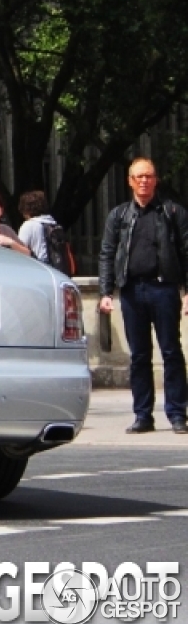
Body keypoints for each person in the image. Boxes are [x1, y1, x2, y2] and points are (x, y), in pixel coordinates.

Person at [97, 157, 188, 435]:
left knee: (171, 351)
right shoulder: (120, 215)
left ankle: (177, 414)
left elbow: (186, 252)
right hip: (132, 291)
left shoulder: (172, 212)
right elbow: (108, 253)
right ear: (130, 181)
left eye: (148, 176)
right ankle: (143, 415)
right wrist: (105, 291)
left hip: (164, 289)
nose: (144, 181)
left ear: (155, 179)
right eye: (139, 177)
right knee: (139, 356)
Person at [17, 190, 58, 265]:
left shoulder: (29, 225)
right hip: (55, 267)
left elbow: (20, 250)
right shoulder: (52, 223)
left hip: (38, 266)